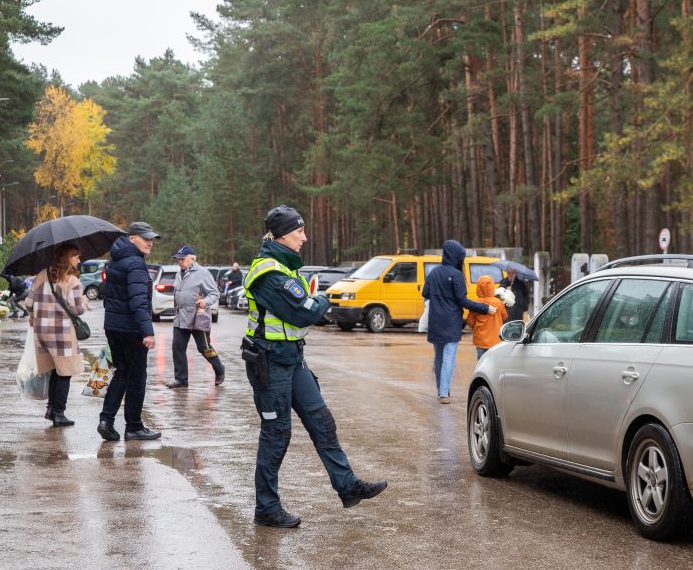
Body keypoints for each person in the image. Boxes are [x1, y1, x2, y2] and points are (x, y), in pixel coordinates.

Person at [243, 204, 387, 528]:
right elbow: (305, 311)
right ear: (281, 235)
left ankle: (348, 487)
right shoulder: (268, 272)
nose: (305, 238)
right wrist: (321, 301)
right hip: (270, 362)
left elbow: (305, 305)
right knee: (276, 435)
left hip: (293, 359)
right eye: (299, 232)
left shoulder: (285, 267)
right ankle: (266, 508)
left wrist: (313, 301)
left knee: (323, 422)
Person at [98, 221, 162, 442]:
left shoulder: (114, 261)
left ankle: (106, 420)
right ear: (132, 238)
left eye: (152, 239)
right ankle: (134, 426)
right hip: (131, 329)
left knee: (122, 373)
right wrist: (147, 332)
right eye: (146, 238)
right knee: (136, 377)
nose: (150, 242)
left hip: (113, 326)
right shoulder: (135, 263)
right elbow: (138, 301)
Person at [422, 239, 495, 404]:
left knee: (438, 357)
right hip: (451, 323)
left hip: (435, 322)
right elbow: (463, 301)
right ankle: (444, 393)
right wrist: (484, 308)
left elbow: (425, 293)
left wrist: (438, 296)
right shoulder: (456, 275)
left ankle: (442, 391)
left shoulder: (433, 273)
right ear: (456, 257)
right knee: (449, 358)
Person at [25, 243, 86, 427]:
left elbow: (28, 302)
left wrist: (33, 316)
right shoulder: (72, 280)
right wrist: (84, 301)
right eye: (76, 257)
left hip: (42, 332)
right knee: (65, 372)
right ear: (67, 258)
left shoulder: (42, 275)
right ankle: (59, 413)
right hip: (61, 333)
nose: (79, 260)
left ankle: (51, 408)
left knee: (54, 370)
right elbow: (77, 309)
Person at [166, 245, 224, 388]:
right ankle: (181, 379)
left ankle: (219, 368)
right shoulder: (180, 272)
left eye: (182, 259)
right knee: (177, 347)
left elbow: (215, 293)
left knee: (204, 348)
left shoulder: (203, 273)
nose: (179, 261)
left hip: (198, 318)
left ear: (192, 259)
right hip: (181, 317)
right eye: (178, 259)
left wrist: (205, 301)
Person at [466, 275, 508, 359]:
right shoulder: (498, 303)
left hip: (481, 340)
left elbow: (470, 321)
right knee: (494, 363)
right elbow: (505, 317)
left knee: (481, 363)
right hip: (495, 340)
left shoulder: (476, 304)